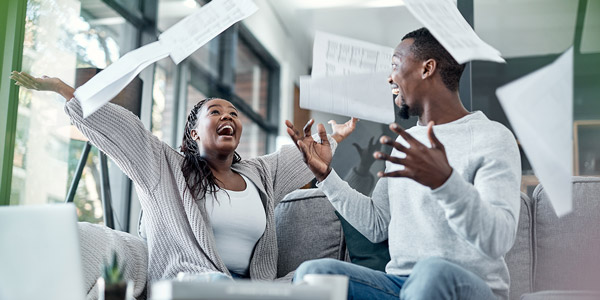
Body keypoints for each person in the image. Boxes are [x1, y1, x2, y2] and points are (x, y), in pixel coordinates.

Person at [9, 71, 357, 282]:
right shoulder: (163, 167)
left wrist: (334, 137)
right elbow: (120, 129)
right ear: (193, 133)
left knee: (314, 279)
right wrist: (62, 89)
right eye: (216, 111)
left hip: (250, 289)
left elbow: (303, 155)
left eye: (234, 113)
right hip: (190, 286)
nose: (228, 116)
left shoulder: (261, 174)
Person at [290, 27, 521, 300]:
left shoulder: (491, 137)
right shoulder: (405, 143)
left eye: (395, 65)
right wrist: (327, 176)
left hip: (466, 287)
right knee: (313, 273)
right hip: (400, 286)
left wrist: (446, 182)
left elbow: (499, 239)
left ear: (427, 68)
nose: (390, 77)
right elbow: (377, 224)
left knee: (431, 273)